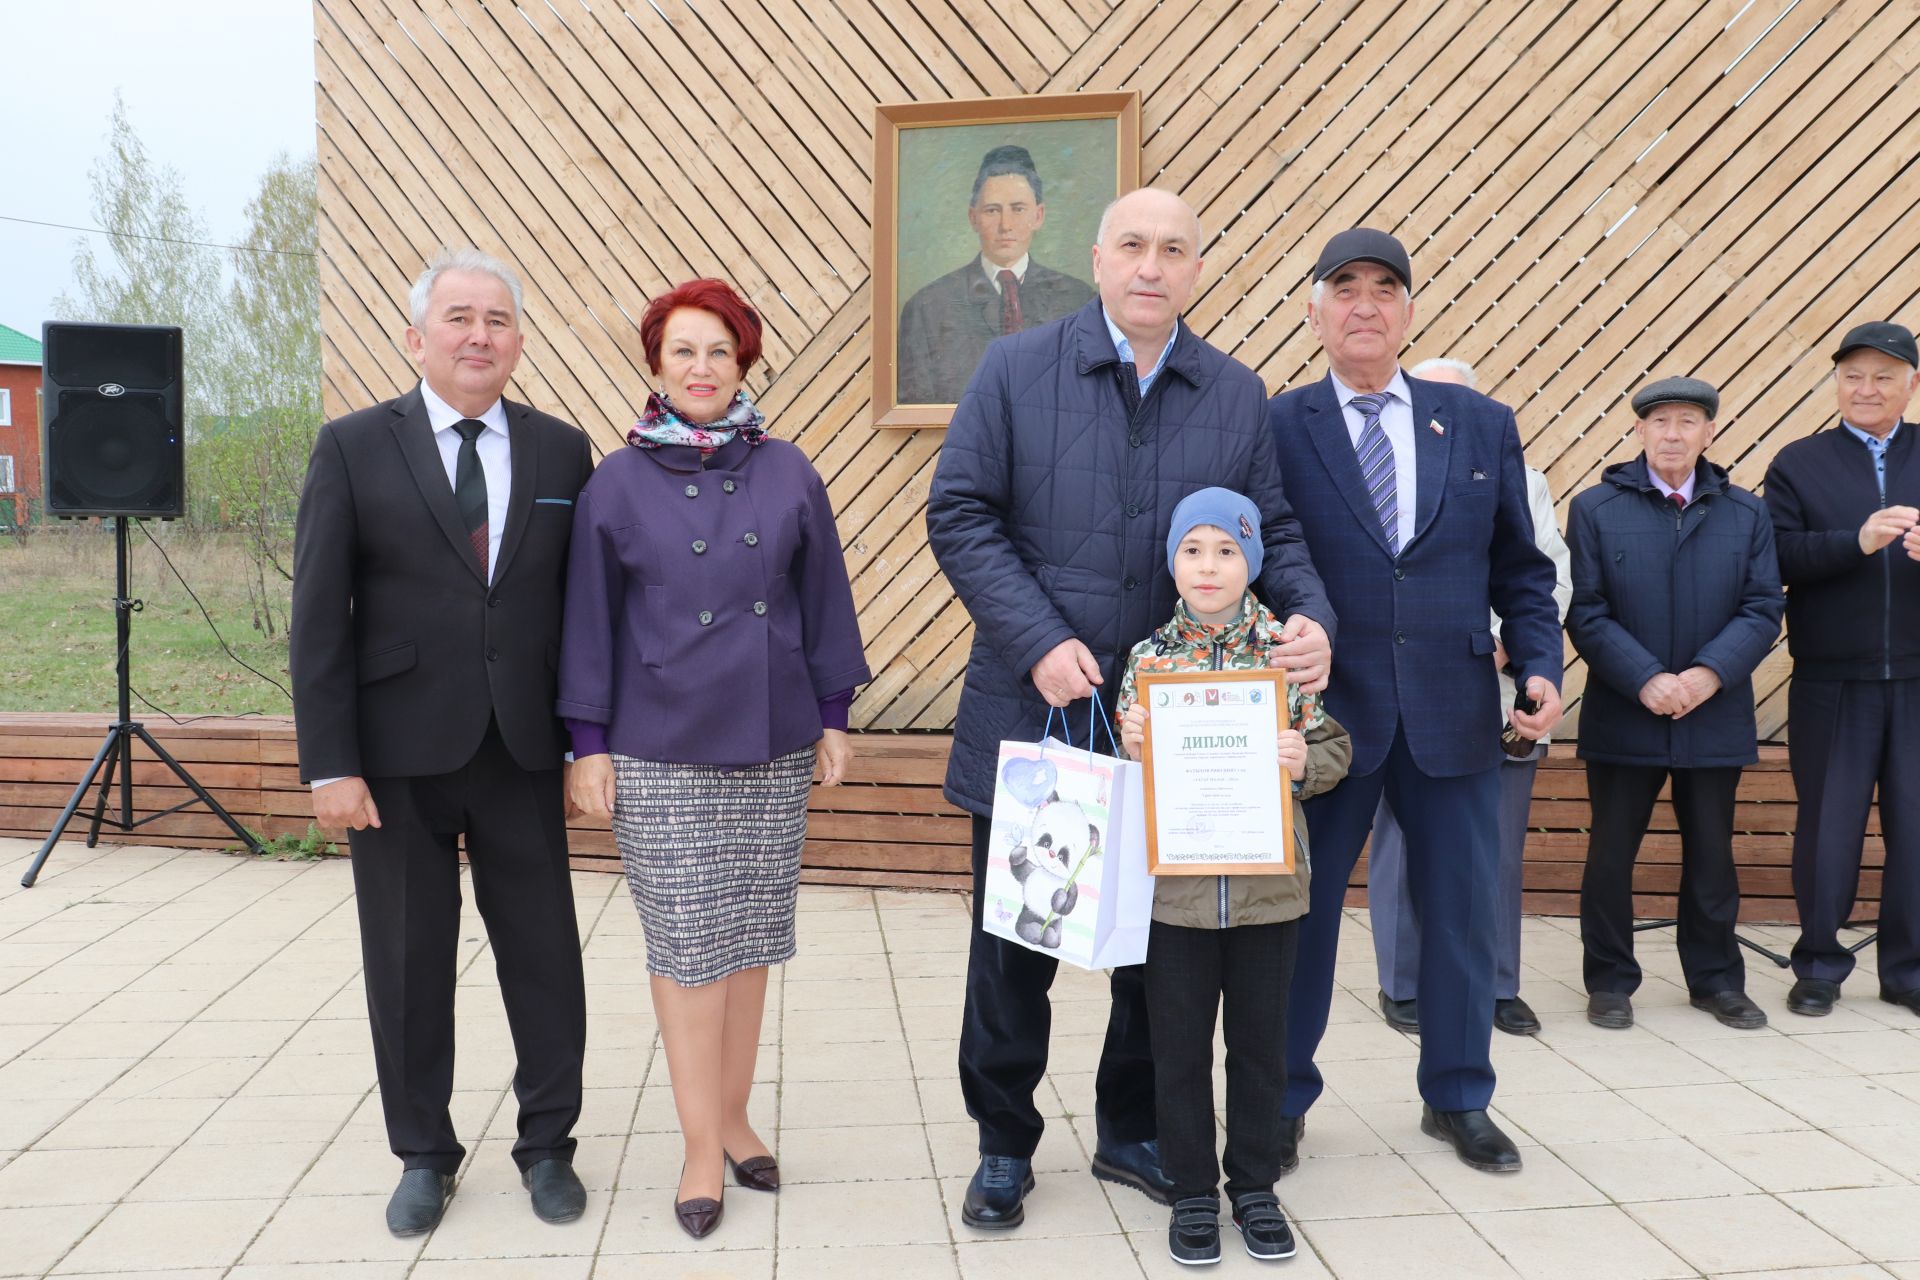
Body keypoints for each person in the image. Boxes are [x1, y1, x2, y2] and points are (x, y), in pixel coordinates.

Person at [927, 187, 1335, 1230]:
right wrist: (1038, 639)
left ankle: (1132, 1127)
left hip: (1184, 732)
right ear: (1099, 258)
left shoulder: (1234, 393)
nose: (1153, 266)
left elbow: (1274, 533)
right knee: (1020, 941)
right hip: (1040, 714)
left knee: (1161, 948)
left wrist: (1309, 622)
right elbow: (961, 512)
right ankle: (1003, 1140)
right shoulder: (1016, 369)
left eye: (1176, 250)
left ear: (1196, 270)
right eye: (1135, 247)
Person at [290, 246, 594, 1235]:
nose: (479, 334)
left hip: (521, 746)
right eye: (459, 317)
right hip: (393, 757)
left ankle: (549, 1144)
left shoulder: (561, 450)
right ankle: (424, 1149)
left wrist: (591, 736)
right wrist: (330, 760)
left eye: (498, 319)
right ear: (416, 336)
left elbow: (584, 610)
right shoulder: (352, 446)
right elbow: (318, 615)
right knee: (409, 960)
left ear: (518, 340)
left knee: (544, 953)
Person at [559, 278, 870, 1239]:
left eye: (720, 352)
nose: (702, 368)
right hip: (660, 744)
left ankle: (734, 1118)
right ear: (656, 364)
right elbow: (587, 622)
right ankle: (699, 1145)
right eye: (684, 350)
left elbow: (824, 597)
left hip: (771, 737)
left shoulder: (788, 470)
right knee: (689, 949)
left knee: (750, 941)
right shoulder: (614, 480)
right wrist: (589, 745)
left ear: (745, 365)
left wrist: (832, 716)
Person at [1267, 228, 1562, 1175]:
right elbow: (1266, 557)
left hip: (1454, 711)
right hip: (1324, 719)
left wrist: (1542, 666)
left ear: (1405, 310)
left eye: (1384, 288)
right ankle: (1280, 1100)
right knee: (1301, 921)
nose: (1365, 303)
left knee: (1461, 914)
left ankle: (1458, 1095)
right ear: (1313, 311)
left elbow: (1520, 565)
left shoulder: (1478, 423)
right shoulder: (1278, 425)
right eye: (1343, 287)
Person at [1115, 488, 1352, 1267]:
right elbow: (1126, 777)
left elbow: (1334, 750)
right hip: (1176, 900)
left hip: (1268, 897)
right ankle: (1189, 1193)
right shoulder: (1149, 662)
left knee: (1259, 1049)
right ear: (1173, 561)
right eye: (1192, 550)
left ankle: (1253, 1187)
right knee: (1178, 1051)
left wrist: (1299, 763)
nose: (1208, 567)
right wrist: (1135, 744)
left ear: (1251, 559)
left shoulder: (1283, 654)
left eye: (1225, 550)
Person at [1565, 376, 1783, 1030]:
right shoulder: (1597, 508)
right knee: (1610, 853)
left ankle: (1715, 980)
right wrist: (1647, 678)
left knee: (1713, 853)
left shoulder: (1745, 512)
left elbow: (1762, 606)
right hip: (1625, 711)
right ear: (1638, 430)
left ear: (1709, 433)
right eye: (1659, 421)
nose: (1672, 434)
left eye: (1688, 422)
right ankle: (1609, 981)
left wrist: (1709, 675)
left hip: (1713, 714)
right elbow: (1587, 609)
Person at [1365, 356, 1570, 1039]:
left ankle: (1496, 984)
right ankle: (1403, 983)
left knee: (1492, 849)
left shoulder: (1523, 476)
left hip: (1495, 685)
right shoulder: (1369, 461)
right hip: (1389, 688)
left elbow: (1542, 572)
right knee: (1399, 844)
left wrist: (1508, 646)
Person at [1763, 321, 1920, 1018]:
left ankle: (1907, 971)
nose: (1867, 388)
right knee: (1829, 826)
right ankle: (1819, 965)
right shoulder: (1800, 462)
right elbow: (1776, 559)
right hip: (1831, 679)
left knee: (1916, 828)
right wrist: (1855, 542)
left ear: (1910, 385)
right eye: (1853, 375)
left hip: (1919, 678)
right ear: (1836, 383)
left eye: (1884, 376)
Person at [896, 144, 1095, 403]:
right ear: (973, 218)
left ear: (1039, 215)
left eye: (1018, 208)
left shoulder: (1079, 301)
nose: (1005, 225)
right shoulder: (928, 308)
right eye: (992, 210)